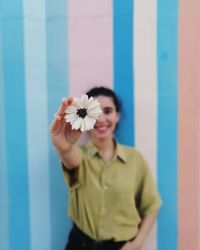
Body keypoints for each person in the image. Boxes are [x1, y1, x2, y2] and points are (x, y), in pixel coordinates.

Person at [50, 86, 162, 250]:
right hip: (80, 244)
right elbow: (70, 158)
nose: (101, 118)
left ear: (117, 115)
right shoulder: (78, 155)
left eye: (108, 111)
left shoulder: (134, 159)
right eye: (94, 113)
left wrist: (136, 244)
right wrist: (63, 147)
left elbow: (152, 205)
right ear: (85, 118)